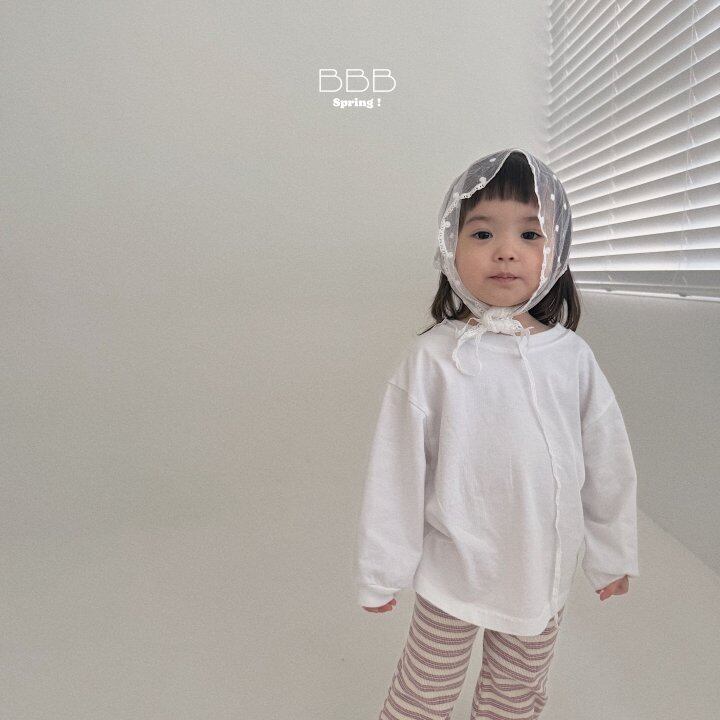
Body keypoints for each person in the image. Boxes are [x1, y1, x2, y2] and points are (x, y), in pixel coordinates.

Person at [353, 148, 640, 719]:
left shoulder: (570, 358)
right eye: (482, 233)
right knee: (421, 697)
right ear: (450, 246)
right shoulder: (433, 358)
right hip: (453, 570)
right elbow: (397, 469)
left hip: (540, 571)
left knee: (514, 700)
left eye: (530, 234)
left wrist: (611, 554)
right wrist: (382, 572)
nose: (506, 250)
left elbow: (606, 461)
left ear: (557, 253)